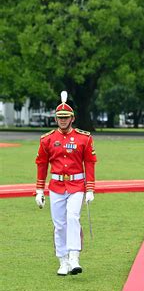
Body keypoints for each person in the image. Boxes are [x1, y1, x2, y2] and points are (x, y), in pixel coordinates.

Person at [35, 91, 97, 276]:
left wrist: (90, 188)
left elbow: (90, 163)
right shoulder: (47, 139)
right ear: (56, 119)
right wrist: (39, 190)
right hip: (56, 186)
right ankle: (62, 260)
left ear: (72, 118)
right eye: (60, 117)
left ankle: (74, 257)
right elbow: (41, 164)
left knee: (72, 217)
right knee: (59, 224)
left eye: (66, 117)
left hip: (77, 185)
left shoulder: (83, 138)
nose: (63, 120)